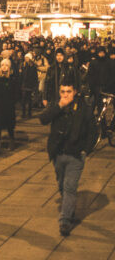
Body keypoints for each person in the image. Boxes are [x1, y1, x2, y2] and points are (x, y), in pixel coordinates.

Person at [39, 78, 98, 236]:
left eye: (69, 92)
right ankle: (69, 207)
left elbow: (93, 131)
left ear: (75, 92)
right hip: (58, 153)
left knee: (70, 186)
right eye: (63, 92)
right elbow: (43, 119)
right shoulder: (56, 105)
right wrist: (59, 106)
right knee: (61, 184)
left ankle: (64, 220)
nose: (65, 95)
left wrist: (86, 150)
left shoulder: (84, 108)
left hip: (76, 154)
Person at [0, 59, 18, 155]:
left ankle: (12, 142)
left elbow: (17, 93)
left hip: (9, 106)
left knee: (10, 126)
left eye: (6, 65)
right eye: (2, 65)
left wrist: (14, 102)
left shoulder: (13, 79)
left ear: (9, 67)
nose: (4, 67)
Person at [20, 53, 38, 118]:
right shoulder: (23, 65)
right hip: (24, 84)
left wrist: (34, 85)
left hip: (30, 84)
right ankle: (23, 112)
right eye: (25, 57)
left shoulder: (33, 66)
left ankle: (29, 112)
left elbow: (35, 76)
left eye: (27, 58)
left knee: (29, 99)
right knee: (23, 99)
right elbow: (21, 75)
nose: (26, 59)